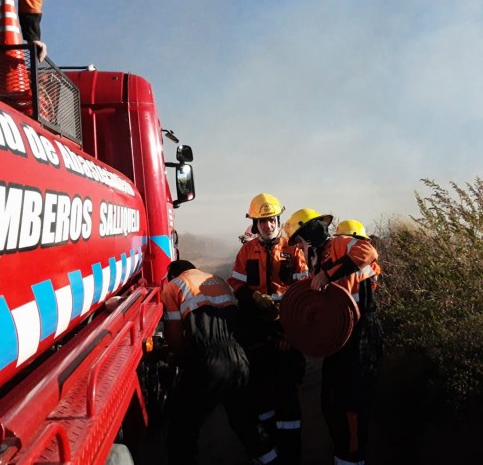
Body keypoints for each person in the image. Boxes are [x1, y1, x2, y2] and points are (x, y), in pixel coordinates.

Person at [283, 210, 382, 465]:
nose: (299, 247)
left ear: (309, 233)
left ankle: (353, 458)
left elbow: (368, 251)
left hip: (361, 336)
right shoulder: (316, 259)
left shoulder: (339, 244)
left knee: (352, 405)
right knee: (330, 401)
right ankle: (341, 455)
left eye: (299, 241)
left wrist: (328, 275)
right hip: (339, 339)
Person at [161, 260, 275, 465]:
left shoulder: (174, 286)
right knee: (246, 421)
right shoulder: (217, 281)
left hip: (209, 362)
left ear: (173, 274)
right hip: (240, 358)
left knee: (183, 427)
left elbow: (175, 338)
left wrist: (177, 358)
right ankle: (271, 460)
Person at [228, 193, 309, 465]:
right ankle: (269, 452)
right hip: (256, 334)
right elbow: (237, 286)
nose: (268, 225)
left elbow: (305, 295)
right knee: (260, 395)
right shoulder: (246, 252)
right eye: (262, 221)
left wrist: (291, 333)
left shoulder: (294, 251)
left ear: (278, 219)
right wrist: (251, 298)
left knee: (287, 397)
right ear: (255, 224)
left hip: (286, 331)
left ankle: (290, 457)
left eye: (271, 220)